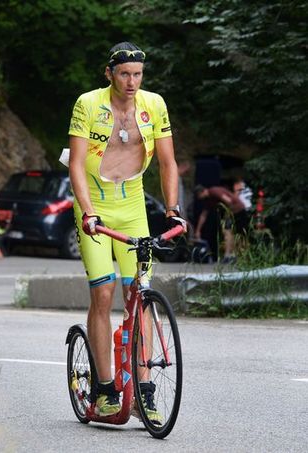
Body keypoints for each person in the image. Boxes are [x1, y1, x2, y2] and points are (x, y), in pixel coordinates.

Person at [67, 42, 186, 423]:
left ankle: (145, 389)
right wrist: (87, 212)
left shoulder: (155, 105)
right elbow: (77, 164)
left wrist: (173, 210)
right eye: (124, 74)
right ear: (109, 74)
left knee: (140, 293)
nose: (132, 82)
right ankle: (104, 389)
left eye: (137, 74)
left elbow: (168, 162)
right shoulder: (88, 104)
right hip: (96, 206)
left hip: (132, 204)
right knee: (103, 293)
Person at [193, 184, 249, 264]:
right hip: (231, 212)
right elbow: (203, 215)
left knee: (237, 233)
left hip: (237, 210)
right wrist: (198, 230)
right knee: (228, 233)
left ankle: (234, 256)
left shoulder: (214, 191)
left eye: (198, 197)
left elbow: (229, 201)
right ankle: (229, 256)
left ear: (201, 193)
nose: (199, 199)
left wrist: (227, 216)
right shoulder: (208, 199)